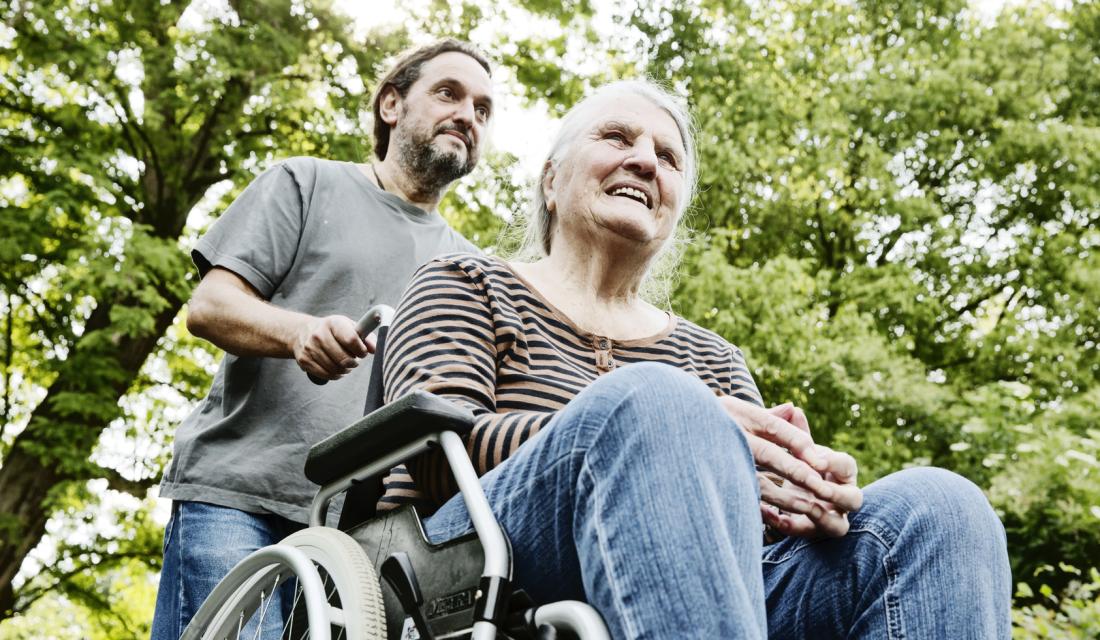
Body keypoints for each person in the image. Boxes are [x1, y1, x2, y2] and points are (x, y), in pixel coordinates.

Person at [377, 79, 1012, 638]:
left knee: (940, 509)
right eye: (617, 137)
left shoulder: (713, 357)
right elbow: (433, 451)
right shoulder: (467, 281)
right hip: (471, 565)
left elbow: (750, 545)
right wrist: (649, 428)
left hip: (698, 594)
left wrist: (801, 498)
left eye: (668, 157)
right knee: (657, 403)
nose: (644, 161)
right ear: (551, 181)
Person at [151, 39, 495, 639]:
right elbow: (209, 307)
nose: (468, 115)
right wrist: (299, 332)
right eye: (449, 93)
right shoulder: (305, 182)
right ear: (391, 105)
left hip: (367, 545)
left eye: (483, 109)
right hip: (241, 500)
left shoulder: (471, 268)